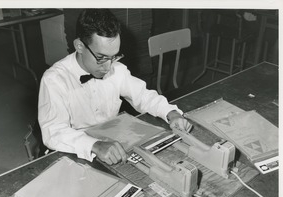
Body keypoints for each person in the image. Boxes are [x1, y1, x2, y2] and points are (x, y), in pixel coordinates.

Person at [38, 9, 192, 165]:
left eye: (114, 57)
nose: (108, 66)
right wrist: (94, 145)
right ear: (79, 46)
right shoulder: (54, 79)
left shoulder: (116, 69)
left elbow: (143, 96)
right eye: (101, 58)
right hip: (74, 151)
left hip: (113, 142)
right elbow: (54, 132)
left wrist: (171, 113)